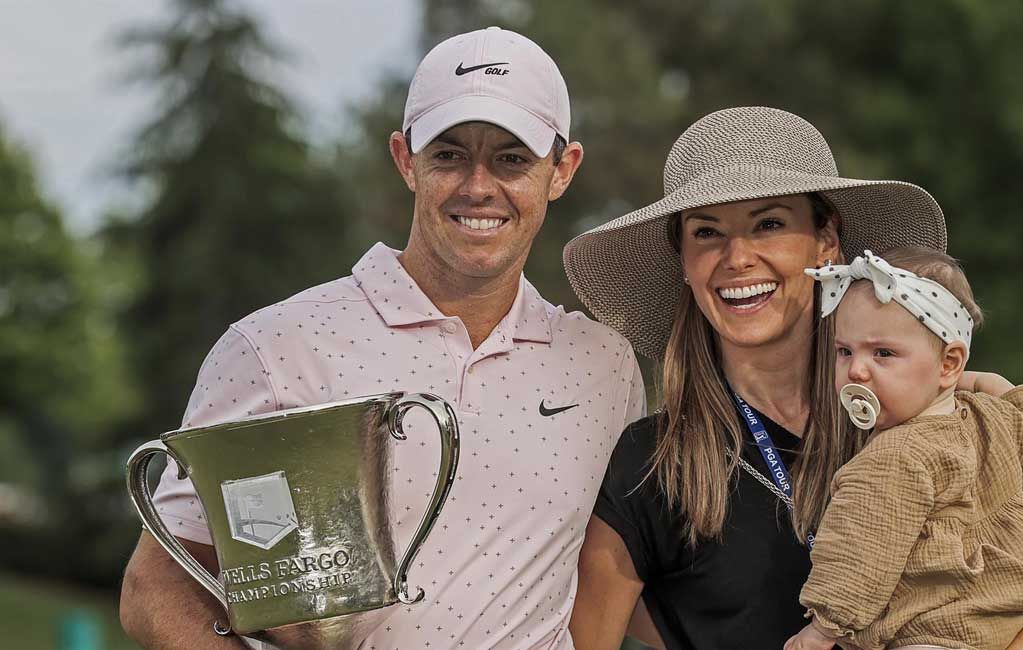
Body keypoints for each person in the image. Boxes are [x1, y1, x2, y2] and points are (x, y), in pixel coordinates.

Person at [119, 27, 645, 650]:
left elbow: (611, 579)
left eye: (512, 158)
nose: (479, 186)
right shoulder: (274, 346)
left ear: (562, 170)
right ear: (405, 160)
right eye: (449, 155)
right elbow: (157, 583)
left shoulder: (603, 365)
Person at [562, 107, 1023, 650]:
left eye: (770, 224)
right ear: (684, 261)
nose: (737, 258)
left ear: (827, 241)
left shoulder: (925, 418)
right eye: (707, 233)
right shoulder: (649, 464)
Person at [785, 248, 1023, 650]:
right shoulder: (992, 420)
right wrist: (984, 381)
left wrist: (823, 628)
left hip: (926, 635)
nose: (856, 370)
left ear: (950, 363)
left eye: (883, 353)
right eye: (845, 351)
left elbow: (860, 549)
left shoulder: (893, 455)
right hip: (1000, 628)